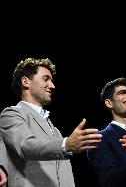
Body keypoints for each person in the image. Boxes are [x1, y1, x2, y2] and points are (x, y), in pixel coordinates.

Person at [0, 58, 103, 187]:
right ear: (25, 81)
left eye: (51, 80)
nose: (52, 85)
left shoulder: (55, 130)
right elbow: (26, 146)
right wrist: (66, 145)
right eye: (45, 79)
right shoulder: (12, 114)